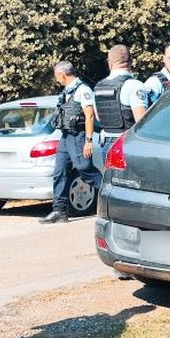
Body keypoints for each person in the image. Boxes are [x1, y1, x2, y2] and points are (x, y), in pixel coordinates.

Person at [41, 61, 102, 224]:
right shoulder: (66, 92)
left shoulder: (83, 90)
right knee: (59, 172)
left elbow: (89, 116)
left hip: (79, 136)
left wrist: (88, 141)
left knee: (84, 168)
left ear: (63, 74)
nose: (56, 79)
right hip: (66, 136)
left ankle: (109, 195)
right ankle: (59, 211)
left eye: (57, 76)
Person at [94, 44, 149, 162]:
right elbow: (141, 120)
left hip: (106, 143)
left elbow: (99, 118)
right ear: (131, 62)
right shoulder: (134, 85)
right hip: (127, 145)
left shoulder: (99, 86)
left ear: (110, 63)